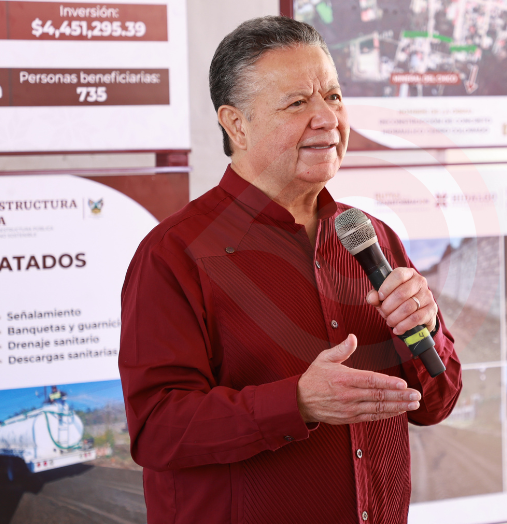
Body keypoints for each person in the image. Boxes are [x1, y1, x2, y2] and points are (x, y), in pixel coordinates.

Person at [119, 16, 462, 524]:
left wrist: (424, 328)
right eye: (298, 103)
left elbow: (437, 401)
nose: (327, 118)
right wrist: (296, 403)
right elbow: (156, 431)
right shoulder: (173, 254)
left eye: (334, 96)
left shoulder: (371, 237)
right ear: (236, 125)